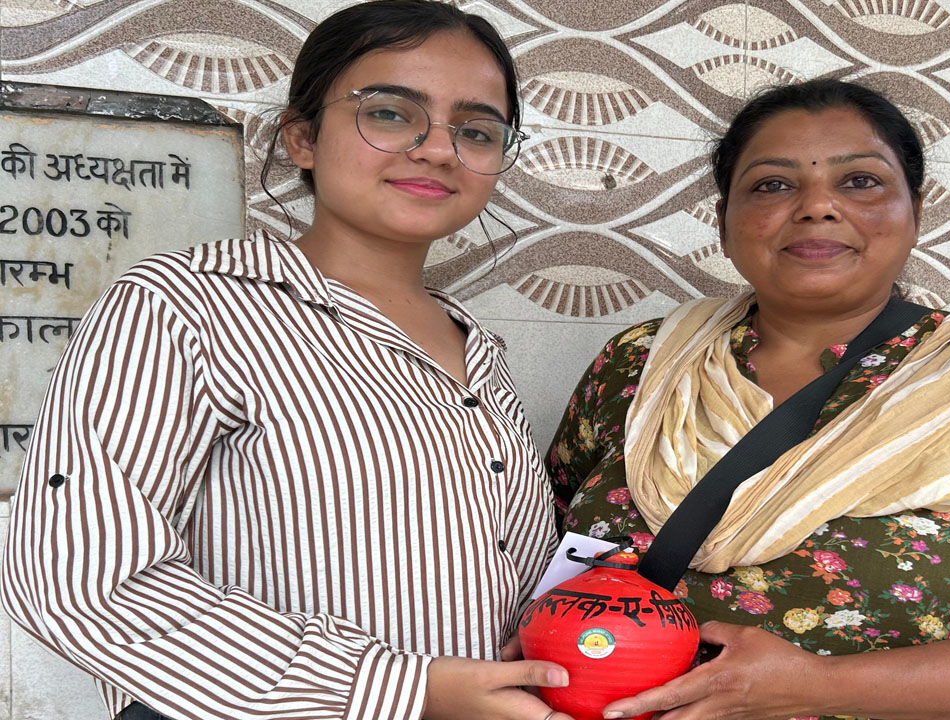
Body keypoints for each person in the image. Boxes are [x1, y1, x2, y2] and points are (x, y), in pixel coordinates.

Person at [546, 79, 950, 720]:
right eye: (772, 184)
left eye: (860, 182)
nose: (816, 207)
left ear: (916, 211)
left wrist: (815, 686)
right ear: (723, 220)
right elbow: (535, 544)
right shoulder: (643, 362)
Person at [0, 2, 571, 719]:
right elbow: (77, 578)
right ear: (302, 138)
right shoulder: (186, 306)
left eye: (477, 130)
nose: (437, 149)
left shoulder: (477, 348)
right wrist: (405, 690)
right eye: (390, 113)